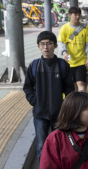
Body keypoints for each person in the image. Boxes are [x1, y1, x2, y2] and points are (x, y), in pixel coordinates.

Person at [24, 31, 75, 159]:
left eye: (49, 44)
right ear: (38, 46)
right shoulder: (34, 66)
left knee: (61, 146)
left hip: (59, 115)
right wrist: (34, 101)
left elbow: (70, 89)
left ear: (55, 45)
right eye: (43, 44)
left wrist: (65, 106)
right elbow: (28, 87)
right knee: (41, 146)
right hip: (40, 114)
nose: (46, 47)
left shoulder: (63, 65)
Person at [59, 7, 88, 92]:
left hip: (81, 61)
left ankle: (81, 102)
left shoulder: (85, 28)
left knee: (81, 83)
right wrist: (64, 53)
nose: (78, 16)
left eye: (79, 14)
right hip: (69, 62)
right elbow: (60, 42)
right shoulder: (64, 28)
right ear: (70, 15)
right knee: (73, 86)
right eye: (75, 14)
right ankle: (75, 104)